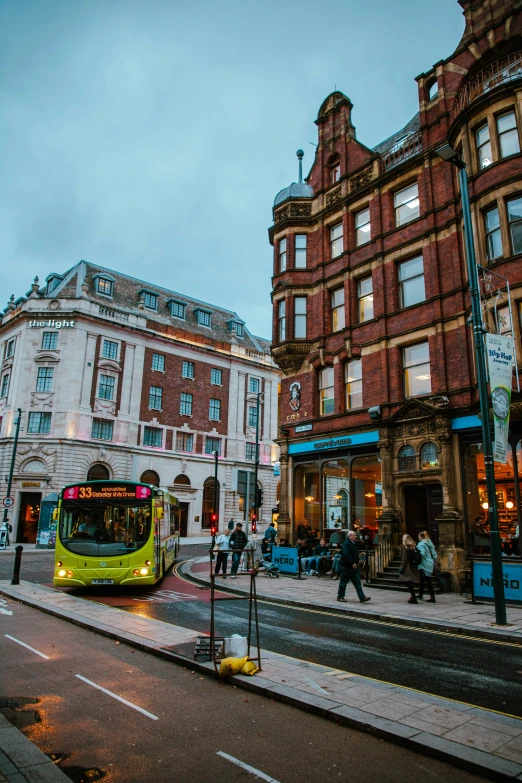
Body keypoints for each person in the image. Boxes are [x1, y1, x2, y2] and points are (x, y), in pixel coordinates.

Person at [337, 530, 371, 603]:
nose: (356, 536)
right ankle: (340, 597)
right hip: (347, 566)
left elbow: (361, 546)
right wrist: (352, 562)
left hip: (354, 567)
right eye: (354, 535)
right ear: (350, 536)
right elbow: (346, 554)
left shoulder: (354, 543)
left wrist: (364, 541)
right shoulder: (346, 544)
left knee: (357, 583)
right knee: (343, 582)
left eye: (355, 535)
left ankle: (362, 597)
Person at [399, 533, 421, 604]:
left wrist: (401, 568)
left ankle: (413, 597)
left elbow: (404, 559)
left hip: (407, 566)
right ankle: (413, 597)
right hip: (413, 565)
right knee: (409, 581)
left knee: (407, 581)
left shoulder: (405, 546)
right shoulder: (413, 545)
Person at [417, 530, 437, 602]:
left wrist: (415, 560)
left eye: (419, 536)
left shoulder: (421, 544)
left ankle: (432, 597)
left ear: (421, 537)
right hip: (429, 562)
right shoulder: (429, 543)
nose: (418, 538)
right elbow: (434, 552)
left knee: (428, 581)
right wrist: (434, 559)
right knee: (422, 579)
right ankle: (420, 594)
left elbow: (421, 553)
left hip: (424, 564)